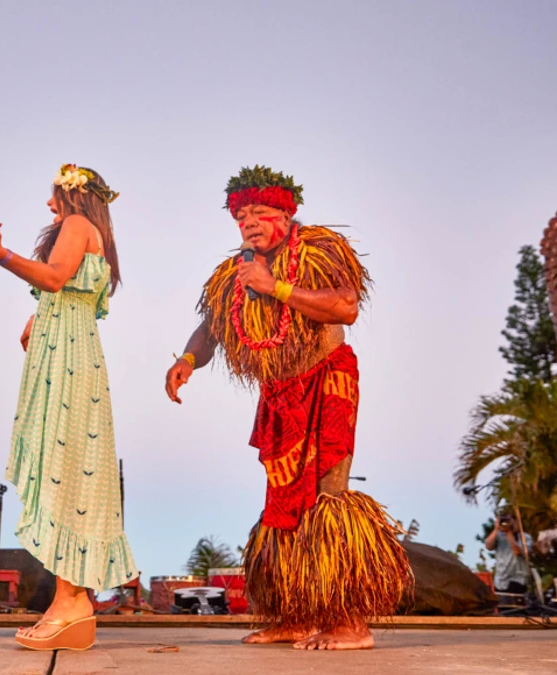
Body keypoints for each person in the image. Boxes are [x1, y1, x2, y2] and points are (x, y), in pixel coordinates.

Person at [164, 166, 411, 651]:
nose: (249, 223)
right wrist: (188, 359)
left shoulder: (319, 251)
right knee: (282, 509)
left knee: (328, 495)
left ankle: (349, 622)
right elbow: (211, 328)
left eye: (259, 212)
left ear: (286, 212)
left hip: (327, 379)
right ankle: (295, 616)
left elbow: (344, 307)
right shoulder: (234, 274)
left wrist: (274, 287)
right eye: (241, 216)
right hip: (278, 395)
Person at [0, 163, 134, 651]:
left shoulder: (78, 226)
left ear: (74, 196)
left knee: (65, 470)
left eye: (54, 195)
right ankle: (69, 604)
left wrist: (1, 255)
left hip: (71, 361)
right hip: (70, 350)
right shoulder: (88, 232)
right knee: (68, 472)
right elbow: (69, 292)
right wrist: (40, 318)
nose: (49, 204)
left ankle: (73, 603)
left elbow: (56, 278)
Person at [485, 512, 533, 595]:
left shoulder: (525, 537)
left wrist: (509, 533)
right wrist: (496, 529)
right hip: (500, 580)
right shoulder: (499, 536)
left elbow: (517, 552)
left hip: (517, 578)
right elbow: (488, 546)